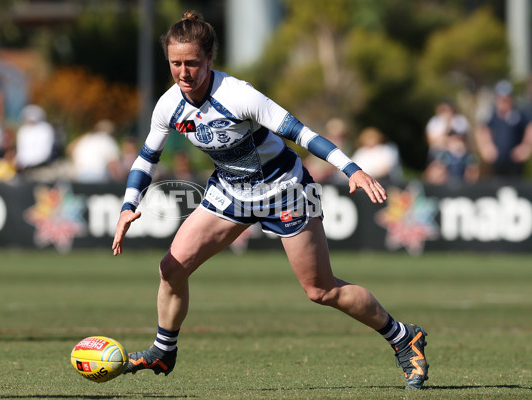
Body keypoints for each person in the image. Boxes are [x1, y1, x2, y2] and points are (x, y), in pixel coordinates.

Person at [112, 11, 429, 390]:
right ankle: (163, 352)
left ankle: (402, 337)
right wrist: (129, 205)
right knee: (172, 269)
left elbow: (303, 134)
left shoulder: (239, 95)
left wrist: (352, 169)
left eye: (192, 63)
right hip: (230, 191)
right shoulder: (169, 105)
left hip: (285, 190)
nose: (184, 72)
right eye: (176, 63)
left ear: (210, 59)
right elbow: (147, 157)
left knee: (321, 290)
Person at [475, 80, 532, 178]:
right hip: (496, 163)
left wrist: (525, 147)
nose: (503, 101)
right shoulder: (491, 114)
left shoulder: (519, 113)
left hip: (516, 163)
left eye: (506, 98)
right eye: (500, 98)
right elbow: (483, 130)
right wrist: (486, 147)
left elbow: (529, 128)